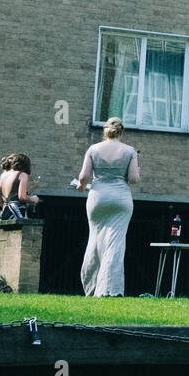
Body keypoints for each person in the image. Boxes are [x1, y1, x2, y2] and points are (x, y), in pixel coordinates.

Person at [77, 117, 140, 297]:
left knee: (95, 240)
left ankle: (91, 287)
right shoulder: (129, 151)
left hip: (98, 197)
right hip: (121, 198)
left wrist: (81, 187)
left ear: (105, 132)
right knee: (115, 243)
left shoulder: (93, 149)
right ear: (122, 132)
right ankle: (110, 289)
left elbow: (83, 177)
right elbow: (133, 179)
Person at [0, 153, 39, 221]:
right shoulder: (22, 175)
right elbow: (22, 197)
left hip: (4, 214)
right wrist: (34, 199)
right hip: (17, 214)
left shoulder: (0, 177)